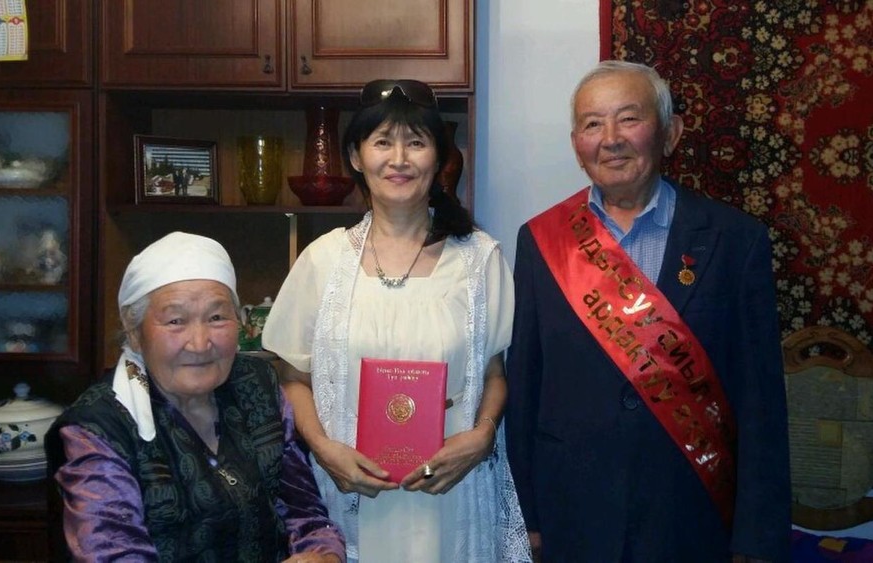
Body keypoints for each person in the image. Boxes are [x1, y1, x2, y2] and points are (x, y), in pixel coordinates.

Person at [505, 60, 791, 562]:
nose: (610, 139)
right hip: (572, 511)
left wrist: (757, 537)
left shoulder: (734, 240)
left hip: (691, 513)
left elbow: (761, 400)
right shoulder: (541, 241)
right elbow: (525, 384)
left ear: (670, 133)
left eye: (629, 119)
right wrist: (525, 515)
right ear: (576, 144)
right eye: (593, 124)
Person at [263, 79, 531, 562]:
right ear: (356, 156)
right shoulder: (323, 261)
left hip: (450, 495)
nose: (399, 159)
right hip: (350, 492)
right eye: (383, 142)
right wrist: (323, 447)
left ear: (439, 158)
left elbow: (495, 371)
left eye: (416, 143)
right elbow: (292, 376)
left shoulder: (479, 259)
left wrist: (482, 435)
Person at [45, 231, 345, 562]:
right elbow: (111, 551)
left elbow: (304, 512)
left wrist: (322, 554)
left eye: (217, 318)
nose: (200, 343)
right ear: (134, 331)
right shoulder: (98, 428)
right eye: (176, 321)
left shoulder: (257, 385)